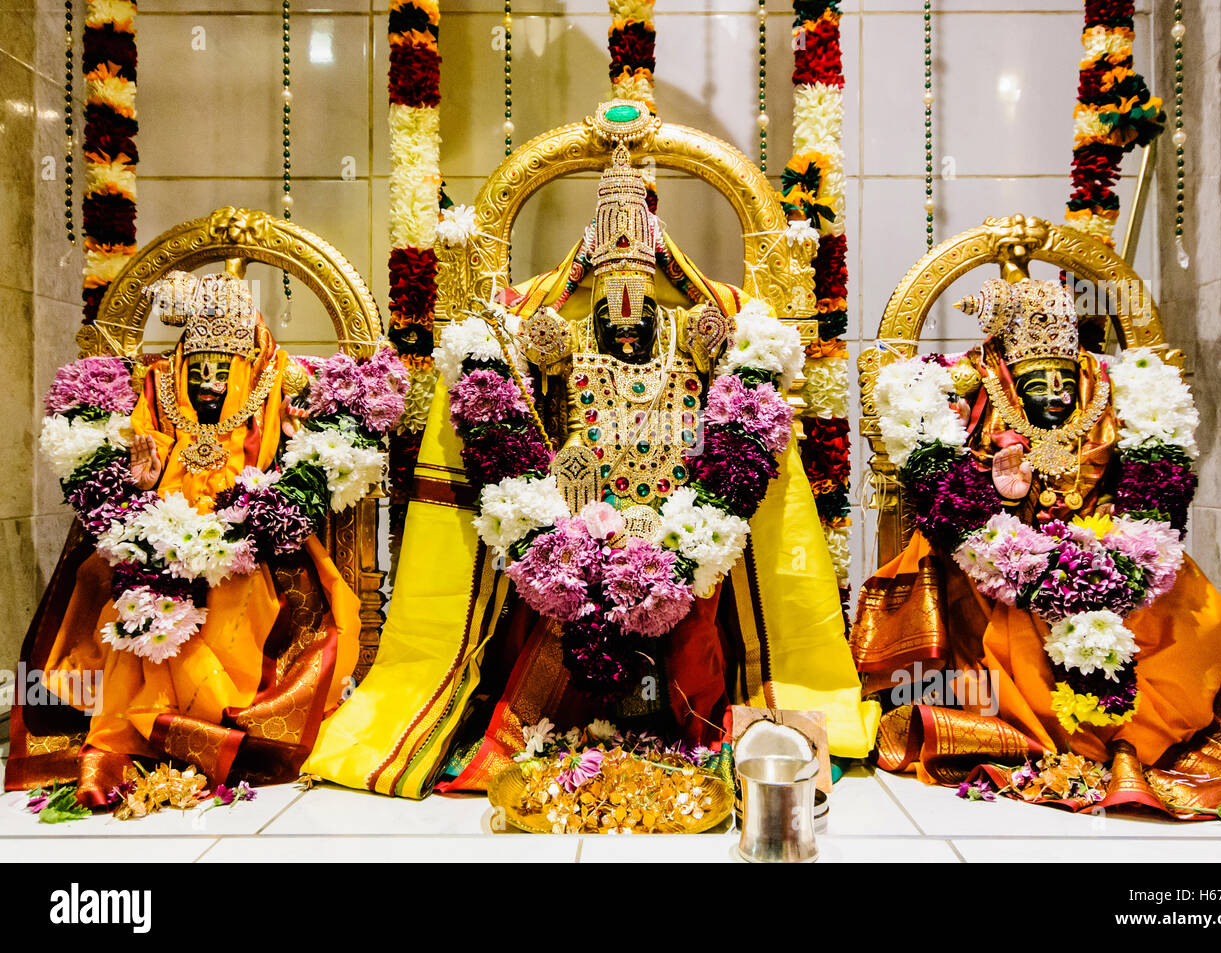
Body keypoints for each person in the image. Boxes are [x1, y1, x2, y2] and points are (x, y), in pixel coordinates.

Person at [305, 147, 877, 797]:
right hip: (580, 531)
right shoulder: (556, 333)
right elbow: (523, 405)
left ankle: (688, 727)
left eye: (638, 282)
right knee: (562, 606)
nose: (626, 300)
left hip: (677, 532)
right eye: (611, 285)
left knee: (687, 618)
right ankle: (555, 725)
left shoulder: (693, 329)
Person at [851, 277, 1221, 816]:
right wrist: (1002, 497)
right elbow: (957, 509)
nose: (1056, 394)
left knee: (1201, 619)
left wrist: (1112, 540)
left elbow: (1147, 496)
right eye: (1038, 382)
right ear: (1010, 387)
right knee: (1013, 628)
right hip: (998, 558)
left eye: (1065, 381)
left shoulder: (1110, 408)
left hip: (1115, 553)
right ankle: (1050, 737)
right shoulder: (979, 408)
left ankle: (1142, 738)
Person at [6, 271, 361, 807]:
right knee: (102, 579)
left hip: (249, 540)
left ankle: (211, 723)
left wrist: (292, 447)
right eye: (200, 372)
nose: (211, 386)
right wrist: (141, 489)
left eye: (224, 373)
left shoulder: (282, 386)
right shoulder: (156, 390)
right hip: (153, 532)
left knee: (242, 592)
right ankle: (139, 723)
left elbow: (293, 475)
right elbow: (139, 465)